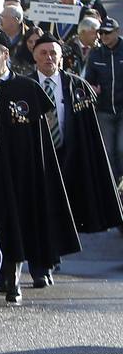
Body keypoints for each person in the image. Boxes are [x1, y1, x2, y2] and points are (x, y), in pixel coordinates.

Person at [0, 30, 79, 302]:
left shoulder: (27, 89)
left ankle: (13, 278)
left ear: (6, 55)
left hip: (20, 172)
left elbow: (42, 137)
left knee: (17, 224)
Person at [33, 35, 123, 234]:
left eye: (53, 53)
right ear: (35, 57)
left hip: (70, 155)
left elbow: (89, 130)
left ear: (60, 58)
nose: (49, 57)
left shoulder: (77, 86)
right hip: (38, 159)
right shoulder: (25, 86)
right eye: (43, 53)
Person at [85, 18, 123, 180]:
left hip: (122, 110)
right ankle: (114, 186)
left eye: (108, 32)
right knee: (107, 150)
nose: (104, 36)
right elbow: (89, 80)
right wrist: (92, 88)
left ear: (117, 32)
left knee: (122, 148)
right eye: (101, 33)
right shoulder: (95, 53)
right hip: (104, 109)